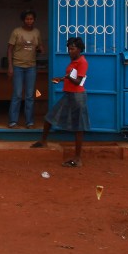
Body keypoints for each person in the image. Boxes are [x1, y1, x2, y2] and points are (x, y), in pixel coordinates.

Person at [31, 36, 89, 168]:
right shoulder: (74, 61)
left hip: (77, 96)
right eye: (69, 48)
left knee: (78, 128)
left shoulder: (82, 62)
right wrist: (62, 79)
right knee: (50, 117)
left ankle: (78, 158)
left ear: (79, 49)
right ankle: (43, 141)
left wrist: (67, 78)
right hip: (69, 95)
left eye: (72, 48)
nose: (69, 51)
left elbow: (79, 81)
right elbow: (73, 77)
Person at [7, 9, 44, 128]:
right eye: (27, 19)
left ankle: (29, 122)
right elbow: (9, 49)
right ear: (23, 20)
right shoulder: (16, 32)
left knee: (29, 96)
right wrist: (10, 66)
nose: (29, 21)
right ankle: (13, 121)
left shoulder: (37, 32)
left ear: (34, 20)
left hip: (31, 67)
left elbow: (40, 46)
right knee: (17, 94)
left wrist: (41, 49)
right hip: (18, 66)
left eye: (31, 19)